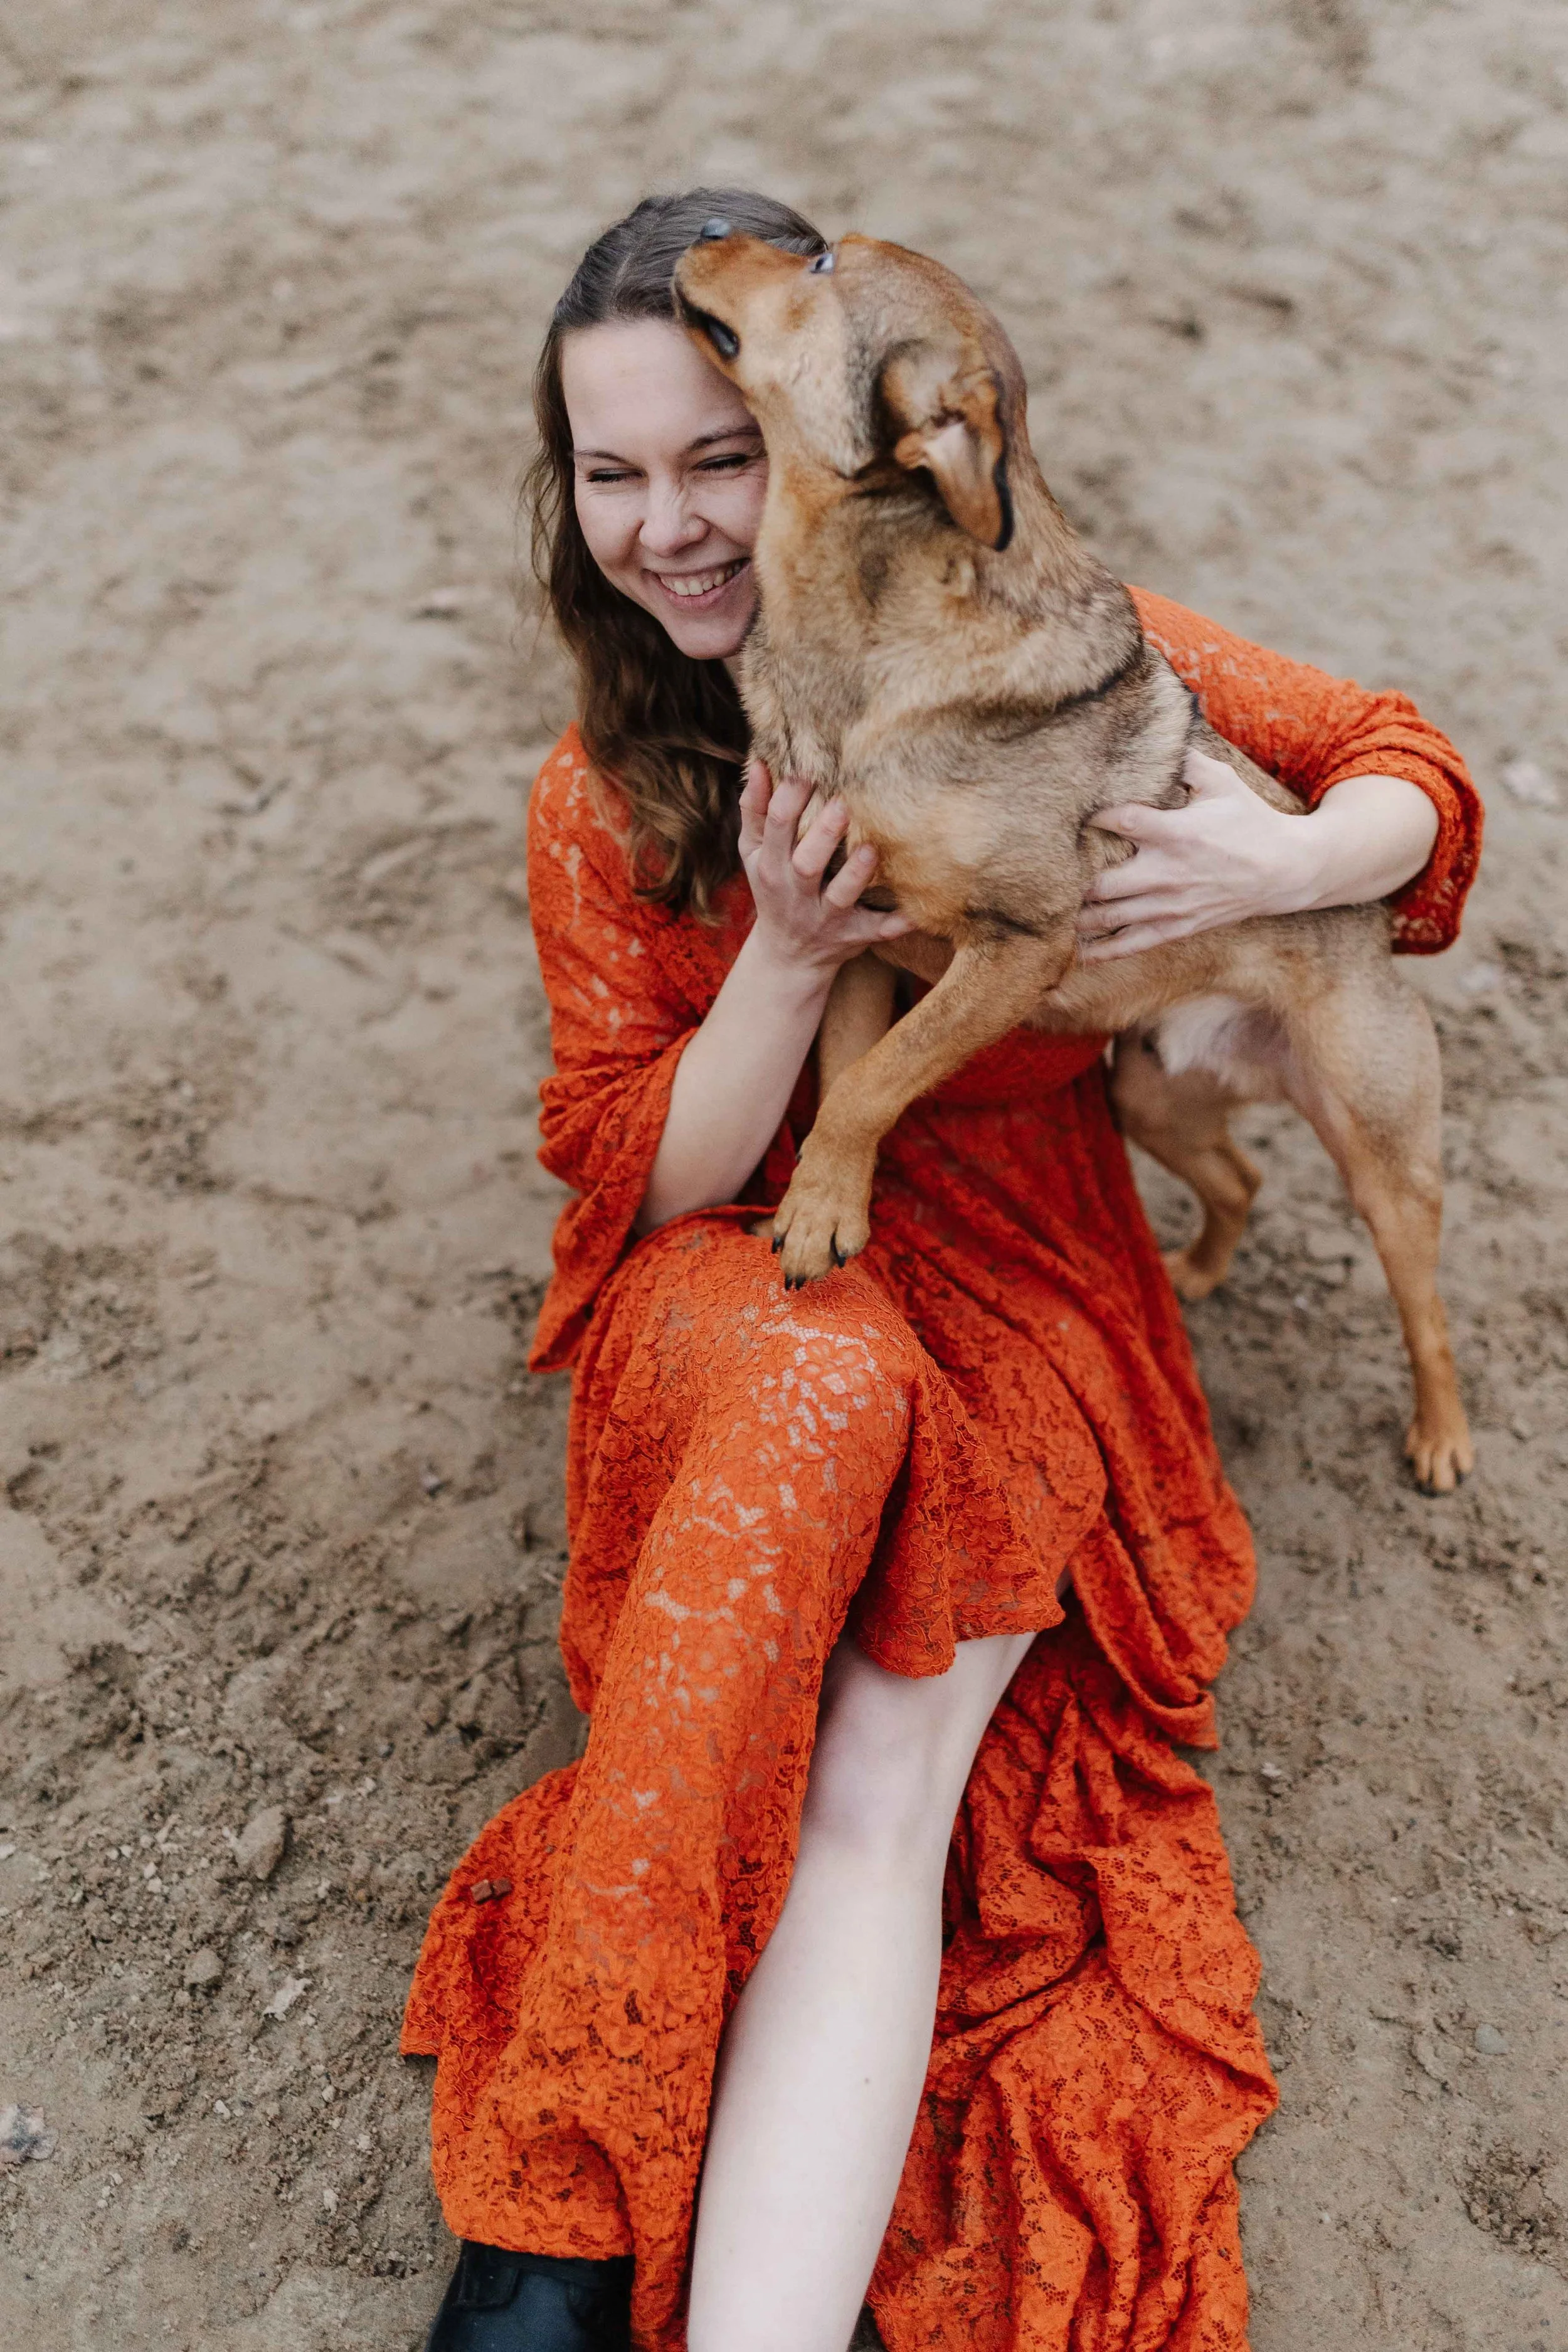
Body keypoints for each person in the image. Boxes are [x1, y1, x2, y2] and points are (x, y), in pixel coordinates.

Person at [403, 189, 1481, 2352]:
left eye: (717, 454)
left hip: (1029, 1273)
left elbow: (1407, 773)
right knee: (793, 1448)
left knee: (885, 1779)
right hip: (748, 1246)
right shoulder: (598, 792)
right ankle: (557, 2215)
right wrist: (790, 961)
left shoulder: (1031, 632)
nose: (673, 523)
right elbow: (631, 1174)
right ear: (566, 494)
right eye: (611, 473)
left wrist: (1285, 853)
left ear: (827, 454)